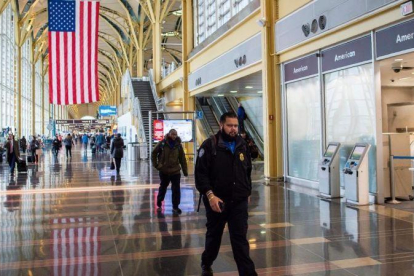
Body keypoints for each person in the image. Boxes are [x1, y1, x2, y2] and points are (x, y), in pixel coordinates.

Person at [195, 112, 257, 276]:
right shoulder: (209, 145)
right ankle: (206, 263)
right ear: (221, 125)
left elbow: (247, 171)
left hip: (238, 202)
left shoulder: (242, 144)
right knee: (214, 238)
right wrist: (210, 195)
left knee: (240, 241)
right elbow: (200, 175)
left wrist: (247, 191)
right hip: (217, 202)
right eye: (230, 125)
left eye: (236, 126)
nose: (233, 129)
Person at [151, 129, 188, 214]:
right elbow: (154, 152)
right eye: (173, 134)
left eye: (175, 134)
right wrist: (156, 165)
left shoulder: (178, 145)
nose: (174, 136)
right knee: (163, 187)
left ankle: (175, 207)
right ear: (169, 134)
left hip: (175, 171)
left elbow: (182, 158)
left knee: (176, 189)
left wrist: (185, 171)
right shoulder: (163, 143)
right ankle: (159, 202)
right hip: (164, 171)